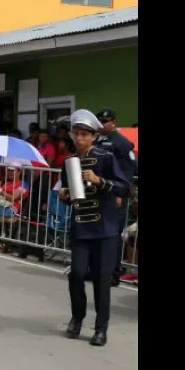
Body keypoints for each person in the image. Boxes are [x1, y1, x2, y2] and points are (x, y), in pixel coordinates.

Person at [58, 109, 129, 347]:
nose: (78, 138)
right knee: (76, 273)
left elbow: (124, 187)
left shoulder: (105, 157)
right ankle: (77, 317)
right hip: (81, 227)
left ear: (93, 136)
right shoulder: (69, 161)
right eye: (75, 134)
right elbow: (67, 191)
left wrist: (100, 181)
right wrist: (64, 195)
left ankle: (101, 328)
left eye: (83, 134)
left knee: (102, 278)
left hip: (105, 228)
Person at [95, 107, 136, 287]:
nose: (103, 124)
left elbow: (128, 170)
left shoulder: (121, 143)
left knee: (113, 233)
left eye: (106, 121)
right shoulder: (97, 140)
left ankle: (113, 273)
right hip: (100, 191)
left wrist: (119, 192)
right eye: (100, 121)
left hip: (115, 193)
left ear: (113, 123)